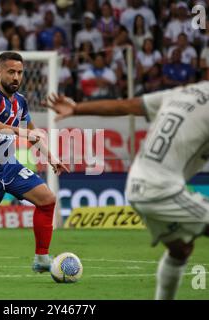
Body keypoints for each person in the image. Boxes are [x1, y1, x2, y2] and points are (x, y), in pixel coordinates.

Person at [45, 81, 209, 300]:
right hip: (161, 189)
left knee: (180, 250)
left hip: (136, 182)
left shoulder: (183, 92)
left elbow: (126, 106)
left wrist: (76, 108)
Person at [0, 52, 68, 282]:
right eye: (11, 72)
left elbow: (33, 133)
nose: (16, 77)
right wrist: (20, 132)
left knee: (47, 200)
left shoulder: (21, 101)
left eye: (20, 73)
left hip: (9, 166)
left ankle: (41, 258)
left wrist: (51, 158)